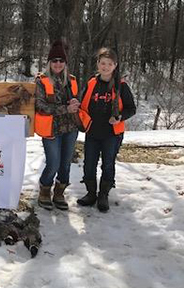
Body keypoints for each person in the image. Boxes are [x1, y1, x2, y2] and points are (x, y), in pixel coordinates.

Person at [76, 47, 136, 212]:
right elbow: (81, 103)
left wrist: (119, 117)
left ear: (115, 65)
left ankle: (103, 195)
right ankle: (90, 194)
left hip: (112, 134)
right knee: (89, 164)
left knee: (108, 164)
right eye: (103, 63)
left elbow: (131, 108)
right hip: (93, 132)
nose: (105, 67)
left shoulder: (121, 86)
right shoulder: (91, 83)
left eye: (109, 64)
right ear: (98, 64)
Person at [34, 40, 80, 211]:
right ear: (49, 63)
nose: (58, 64)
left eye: (61, 61)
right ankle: (44, 191)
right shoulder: (41, 81)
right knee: (53, 163)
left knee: (65, 164)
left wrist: (76, 103)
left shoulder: (72, 80)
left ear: (65, 63)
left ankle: (59, 193)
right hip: (51, 129)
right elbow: (40, 106)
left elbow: (77, 100)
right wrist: (65, 108)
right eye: (55, 61)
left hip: (70, 129)